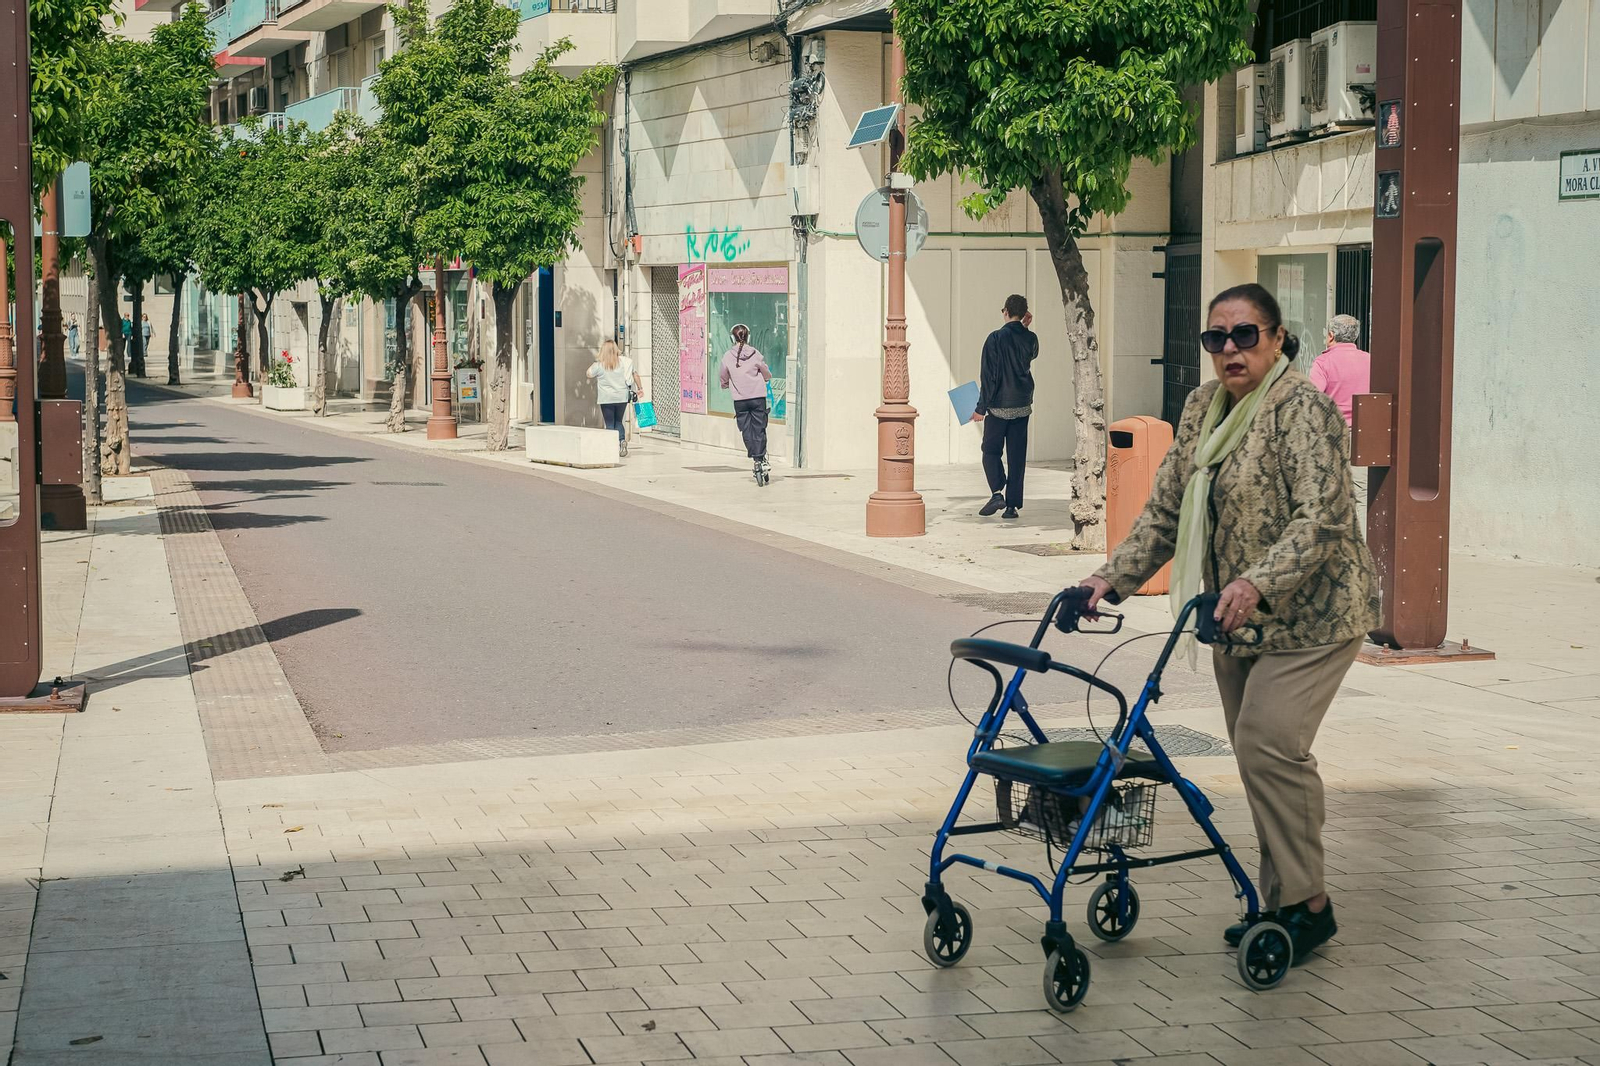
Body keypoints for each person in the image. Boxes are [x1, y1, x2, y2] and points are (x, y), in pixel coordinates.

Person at [1075, 282, 1378, 965]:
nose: (1231, 350)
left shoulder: (1300, 409)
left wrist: (1254, 582)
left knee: (1270, 741)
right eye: (1218, 338)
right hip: (1233, 618)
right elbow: (1163, 509)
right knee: (1257, 756)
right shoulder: (1202, 409)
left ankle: (1309, 905)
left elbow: (1323, 518)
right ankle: (1282, 905)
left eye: (1246, 335)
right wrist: (1107, 580)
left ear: (1277, 339)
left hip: (1316, 613)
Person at [971, 295, 1038, 519]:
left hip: (998, 407)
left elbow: (989, 377)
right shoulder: (1031, 339)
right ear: (1024, 314)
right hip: (1022, 405)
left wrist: (981, 408)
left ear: (1006, 311)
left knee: (990, 451)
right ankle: (1012, 507)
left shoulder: (995, 338)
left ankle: (997, 492)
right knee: (1017, 457)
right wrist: (1025, 329)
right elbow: (1033, 353)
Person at [1310, 314, 1372, 530]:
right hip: (1364, 436)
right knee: (1361, 492)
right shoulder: (1371, 360)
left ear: (1331, 335)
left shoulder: (1323, 362)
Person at [717, 323, 773, 479]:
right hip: (757, 398)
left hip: (740, 400)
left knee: (746, 429)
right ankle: (760, 458)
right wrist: (767, 377)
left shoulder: (727, 356)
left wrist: (725, 384)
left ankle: (755, 456)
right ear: (749, 336)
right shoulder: (756, 354)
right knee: (759, 428)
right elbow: (765, 371)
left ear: (731, 338)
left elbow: (723, 374)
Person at [585, 339, 642, 457]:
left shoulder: (599, 365)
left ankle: (611, 447)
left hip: (606, 399)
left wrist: (596, 361)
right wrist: (640, 388)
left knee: (609, 423)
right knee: (618, 421)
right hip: (621, 397)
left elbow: (588, 374)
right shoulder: (623, 363)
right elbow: (634, 374)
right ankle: (622, 441)